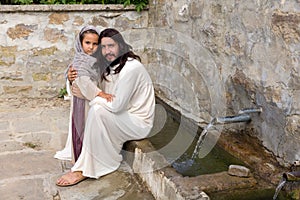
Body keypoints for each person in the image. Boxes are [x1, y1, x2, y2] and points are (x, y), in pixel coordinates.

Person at [56, 28, 155, 187]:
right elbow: (91, 86)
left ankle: (86, 168)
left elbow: (116, 106)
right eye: (103, 47)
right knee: (94, 105)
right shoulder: (110, 66)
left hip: (138, 122)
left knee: (97, 109)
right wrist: (72, 78)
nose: (107, 51)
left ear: (121, 46)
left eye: (111, 46)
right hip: (123, 116)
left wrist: (94, 96)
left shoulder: (131, 68)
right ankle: (83, 152)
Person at [54, 25, 113, 162]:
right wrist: (100, 94)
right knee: (83, 126)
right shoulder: (81, 60)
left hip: (90, 99)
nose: (91, 47)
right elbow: (83, 81)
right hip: (83, 100)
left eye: (95, 44)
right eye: (87, 43)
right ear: (80, 43)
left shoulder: (96, 60)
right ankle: (83, 157)